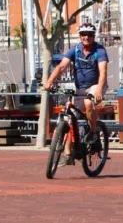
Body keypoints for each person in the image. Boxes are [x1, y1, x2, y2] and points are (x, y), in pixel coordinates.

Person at [42, 21, 108, 165]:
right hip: (80, 88)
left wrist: (99, 90)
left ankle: (92, 133)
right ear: (79, 36)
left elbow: (103, 72)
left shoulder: (99, 51)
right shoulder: (75, 50)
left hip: (96, 85)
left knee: (88, 102)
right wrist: (50, 81)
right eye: (83, 34)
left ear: (94, 36)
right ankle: (68, 153)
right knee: (69, 118)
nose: (86, 37)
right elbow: (61, 67)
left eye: (90, 35)